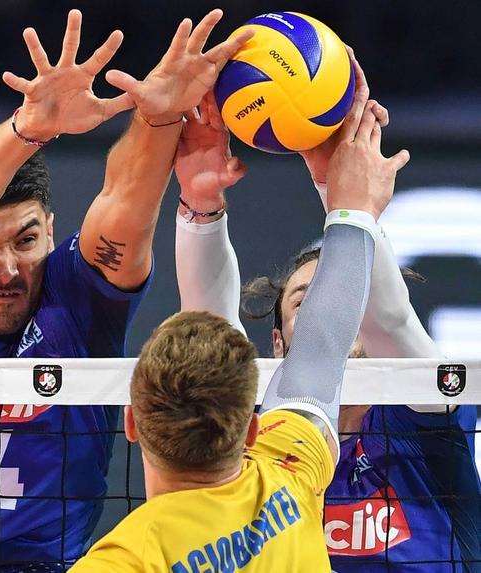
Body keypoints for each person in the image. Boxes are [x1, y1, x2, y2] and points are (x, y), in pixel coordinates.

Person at [0, 9, 253, 573]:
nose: (5, 268)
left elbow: (124, 206)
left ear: (52, 232)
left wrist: (159, 122)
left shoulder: (75, 301)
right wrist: (29, 128)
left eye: (26, 240)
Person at [69, 66, 407, 571]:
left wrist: (200, 201)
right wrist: (351, 206)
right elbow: (322, 342)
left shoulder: (126, 559)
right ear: (252, 431)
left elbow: (319, 338)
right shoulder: (290, 476)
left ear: (132, 423)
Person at [174, 54, 481, 570]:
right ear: (277, 345)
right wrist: (199, 202)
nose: (330, 307)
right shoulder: (255, 434)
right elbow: (208, 327)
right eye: (304, 301)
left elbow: (391, 321)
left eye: (342, 293)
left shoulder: (422, 418)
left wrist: (333, 186)